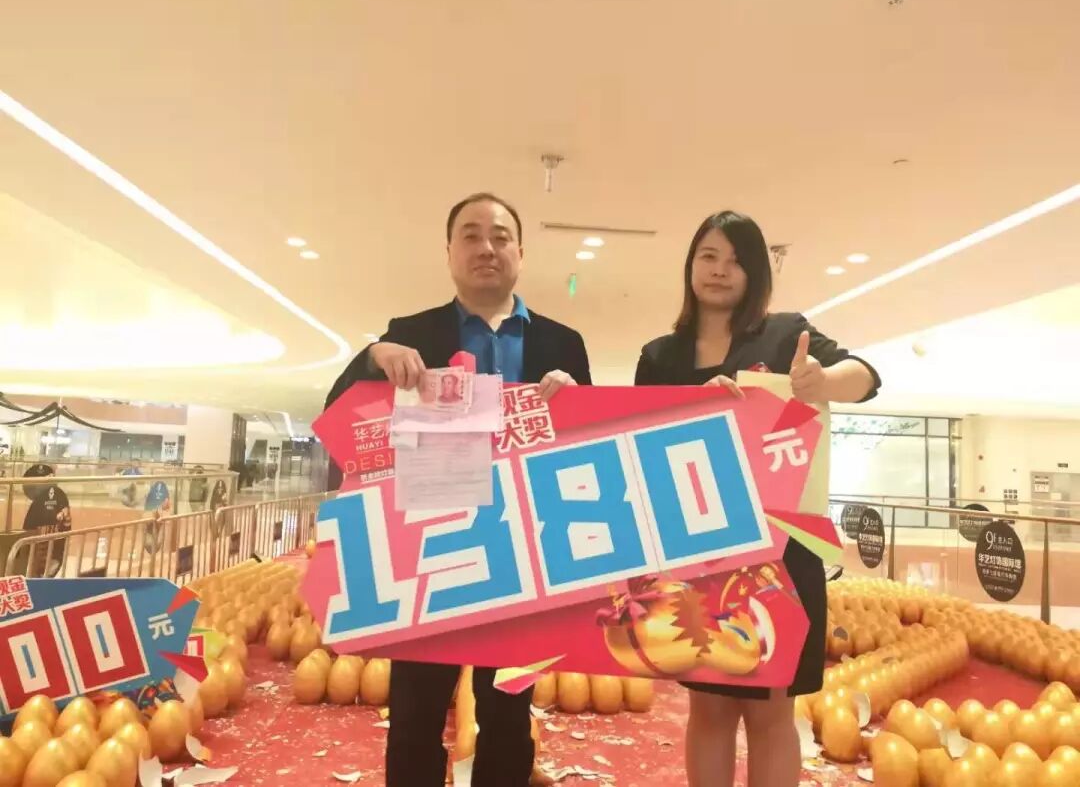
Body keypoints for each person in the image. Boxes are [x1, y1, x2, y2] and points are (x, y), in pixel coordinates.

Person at [324, 191, 592, 787]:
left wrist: (576, 402)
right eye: (471, 235)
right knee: (415, 716)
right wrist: (374, 355)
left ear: (520, 252)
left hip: (523, 551)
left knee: (508, 715)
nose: (486, 247)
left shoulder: (562, 343)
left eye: (500, 236)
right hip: (428, 552)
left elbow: (589, 450)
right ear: (449, 252)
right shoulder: (411, 333)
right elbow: (339, 411)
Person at [634, 210, 880, 787]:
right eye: (709, 256)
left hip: (781, 553)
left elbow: (866, 376)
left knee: (770, 712)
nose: (720, 270)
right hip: (699, 552)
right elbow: (637, 446)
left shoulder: (784, 334)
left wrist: (822, 380)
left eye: (736, 260)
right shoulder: (660, 357)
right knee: (709, 709)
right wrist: (692, 406)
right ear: (691, 265)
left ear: (755, 274)